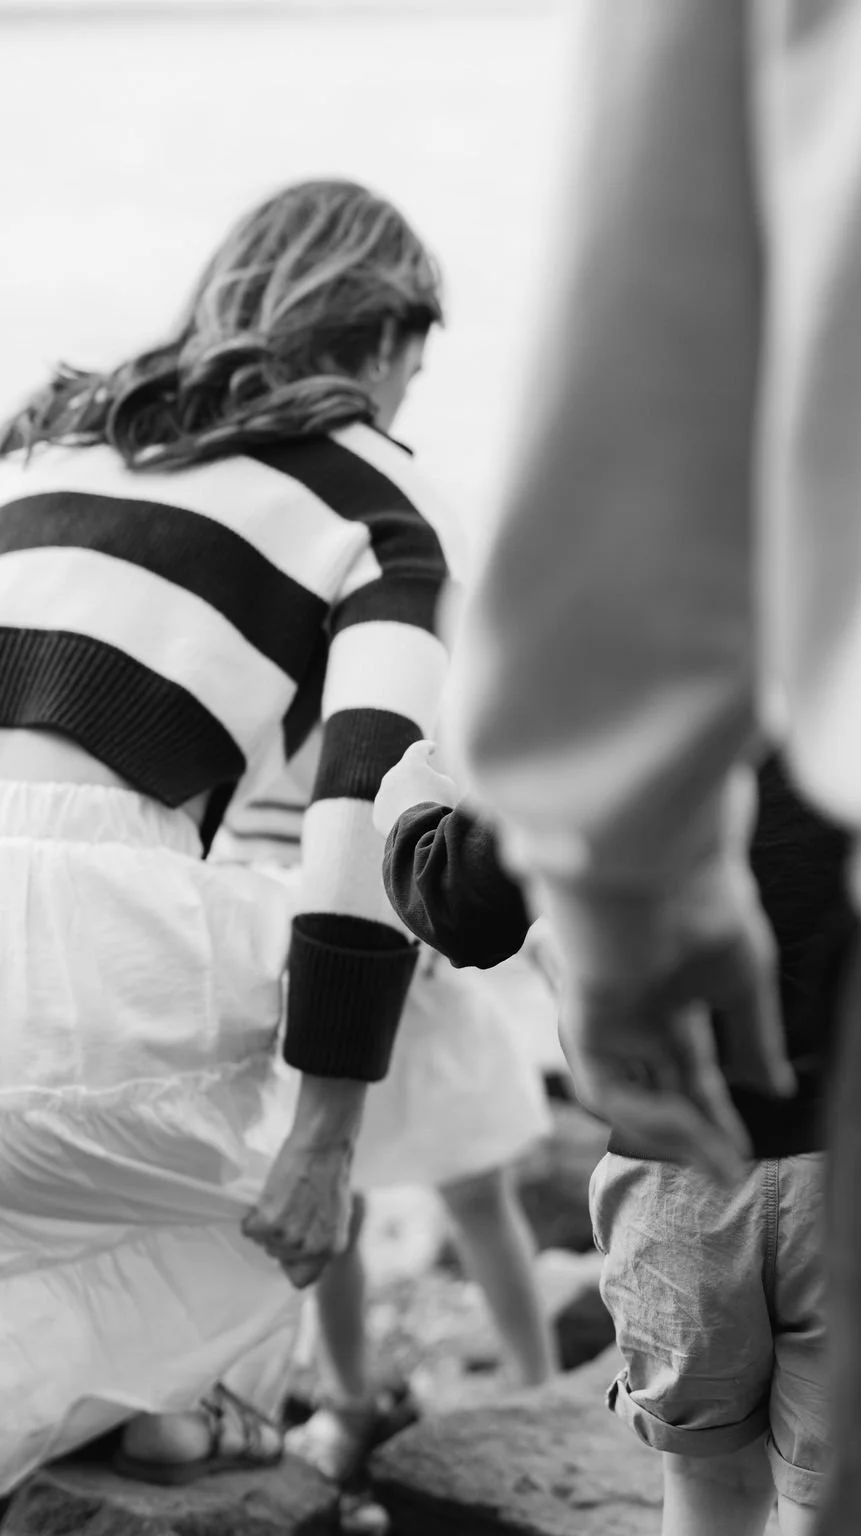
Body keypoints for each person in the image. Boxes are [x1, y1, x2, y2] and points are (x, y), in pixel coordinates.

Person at [449, 2, 861, 1531]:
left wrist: (607, 872)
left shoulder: (808, 684)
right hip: (850, 1128)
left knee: (724, 1479)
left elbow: (651, 329)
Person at [0, 178, 450, 1492]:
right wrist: (327, 1131)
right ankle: (171, 1411)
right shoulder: (375, 498)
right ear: (383, 339)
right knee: (290, 1208)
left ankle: (140, 1418)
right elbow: (367, 807)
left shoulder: (34, 449)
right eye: (417, 359)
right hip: (90, 977)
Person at [380, 739, 852, 1535]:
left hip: (673, 1180)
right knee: (827, 1495)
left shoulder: (619, 703)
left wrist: (405, 813)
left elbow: (462, 907)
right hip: (858, 1171)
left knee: (710, 1489)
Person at [211, 731, 557, 1495]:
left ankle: (538, 1383)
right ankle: (347, 1396)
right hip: (319, 972)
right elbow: (241, 829)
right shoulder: (269, 726)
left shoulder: (403, 678)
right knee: (339, 1206)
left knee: (478, 1192)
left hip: (424, 977)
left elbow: (452, 776)